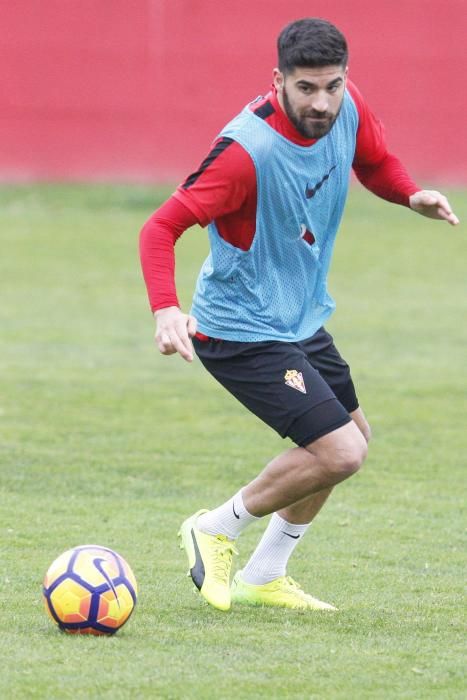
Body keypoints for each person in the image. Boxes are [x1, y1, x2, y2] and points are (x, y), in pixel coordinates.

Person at [139, 18, 459, 612]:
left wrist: (409, 192)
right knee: (340, 451)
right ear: (278, 81)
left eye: (332, 86)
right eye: (306, 88)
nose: (322, 102)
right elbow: (160, 227)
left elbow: (375, 163)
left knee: (351, 443)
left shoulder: (348, 105)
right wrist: (165, 310)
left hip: (299, 320)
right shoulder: (245, 153)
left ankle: (265, 574)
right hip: (240, 330)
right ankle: (216, 526)